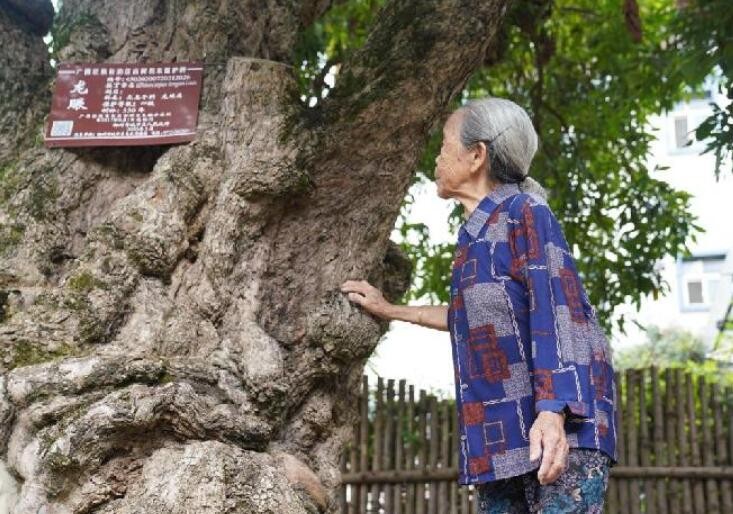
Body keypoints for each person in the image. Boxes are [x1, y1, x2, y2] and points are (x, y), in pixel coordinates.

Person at [340, 97, 618, 513]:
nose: (436, 155)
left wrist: (553, 412)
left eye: (444, 143)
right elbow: (472, 320)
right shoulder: (475, 237)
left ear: (476, 155)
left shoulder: (526, 213)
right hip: (503, 434)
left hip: (561, 427)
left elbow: (559, 311)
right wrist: (390, 309)